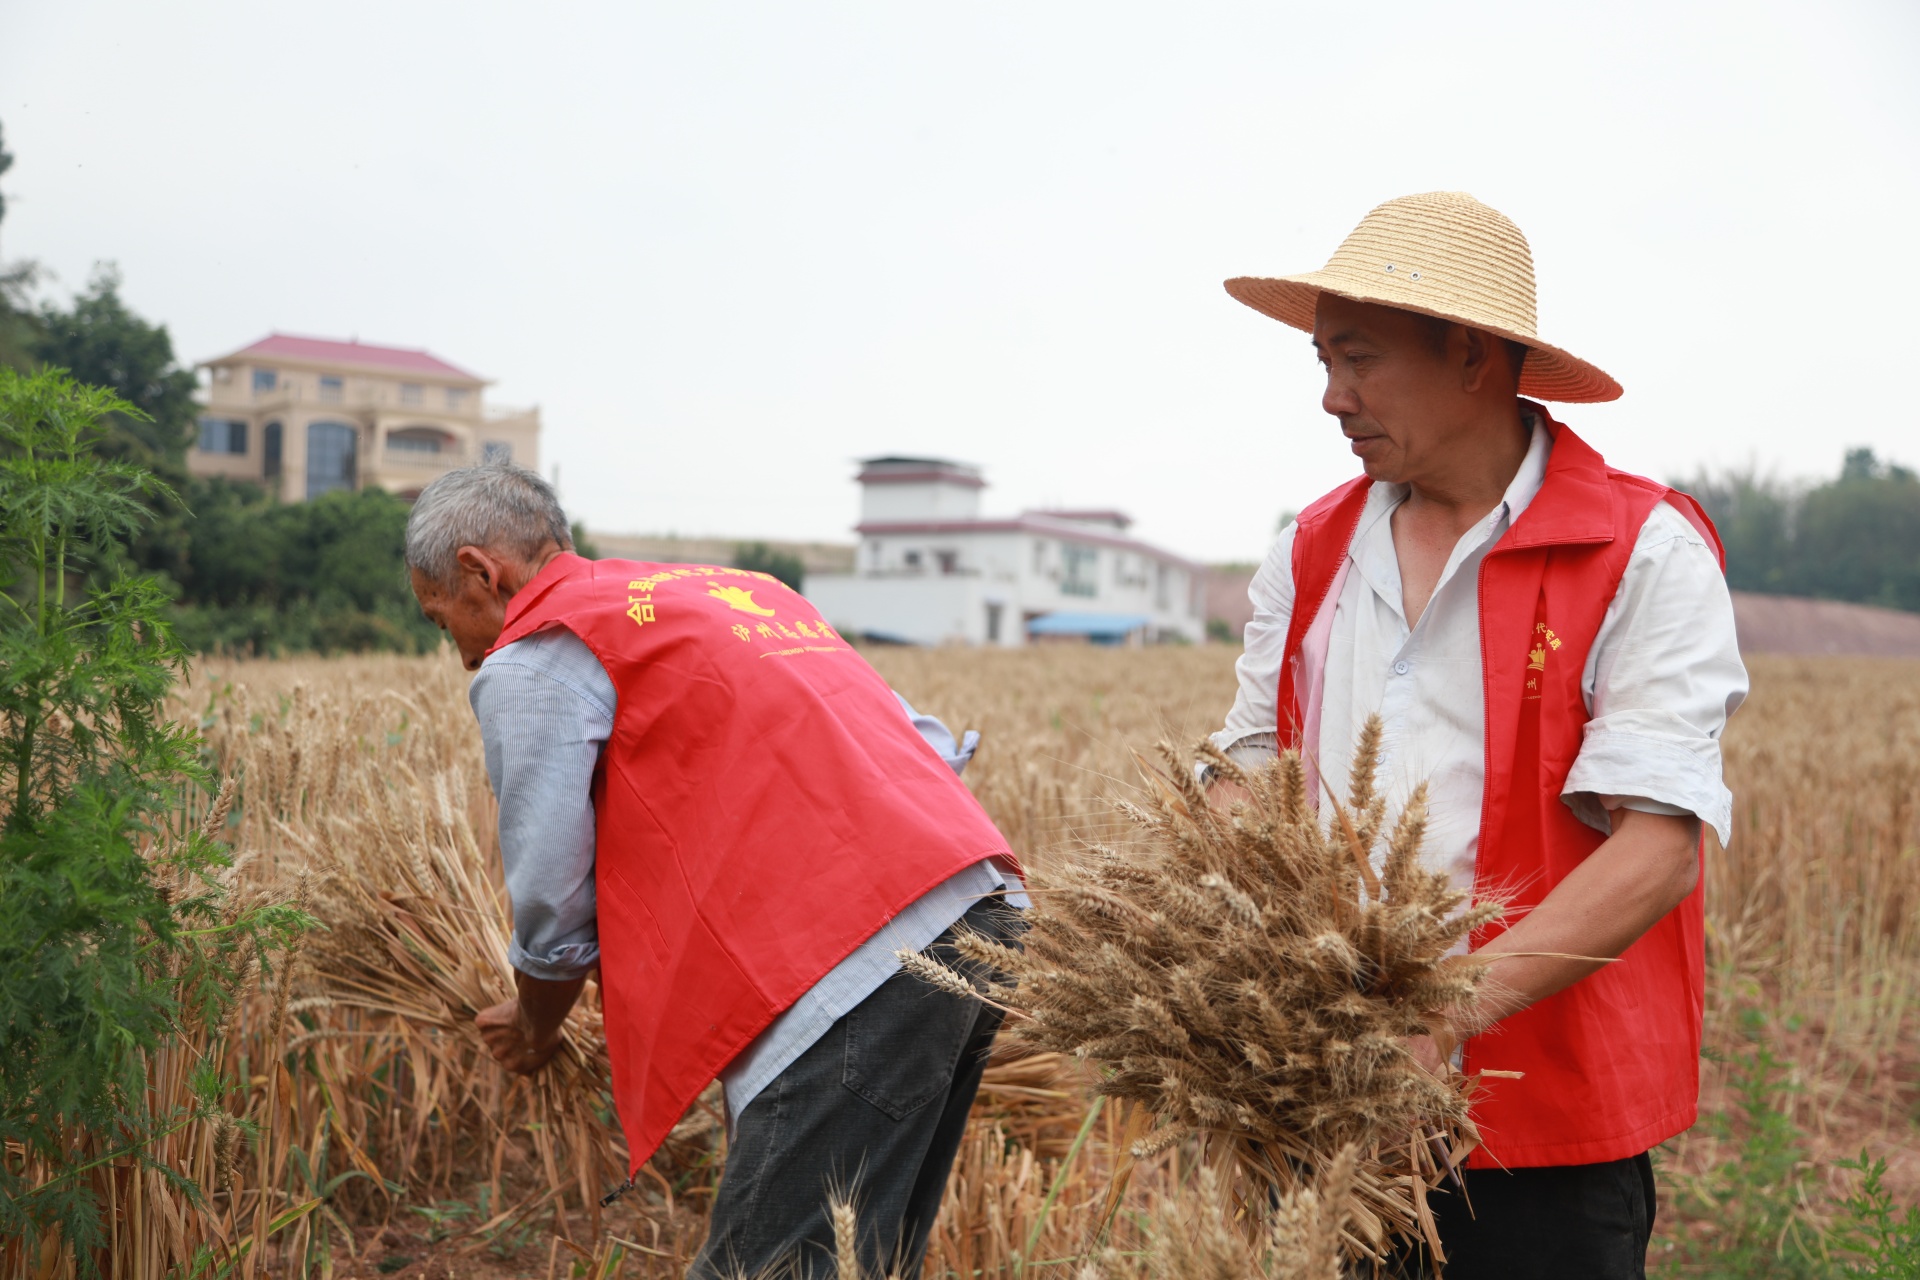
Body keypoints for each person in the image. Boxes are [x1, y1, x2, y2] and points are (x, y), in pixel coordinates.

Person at [1209, 192, 1748, 1279]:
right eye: (1322, 360)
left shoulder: (1640, 549)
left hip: (1544, 1136)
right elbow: (1247, 771)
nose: (1331, 397)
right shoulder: (1310, 548)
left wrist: (1436, 1012)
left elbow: (1656, 847)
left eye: (1357, 360)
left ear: (1471, 357)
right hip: (1327, 1110)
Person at [402, 463, 1025, 1278]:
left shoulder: (536, 656)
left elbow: (552, 902)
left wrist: (537, 1024)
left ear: (483, 572)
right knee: (862, 1263)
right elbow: (929, 744)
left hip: (858, 956)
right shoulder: (741, 594)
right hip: (978, 905)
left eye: (443, 618)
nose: (462, 656)